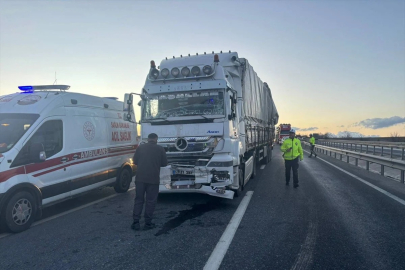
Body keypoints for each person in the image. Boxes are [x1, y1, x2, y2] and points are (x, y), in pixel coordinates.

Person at [132, 133, 167, 230]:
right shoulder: (160, 149)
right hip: (153, 179)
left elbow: (135, 161)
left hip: (140, 179)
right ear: (156, 139)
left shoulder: (141, 148)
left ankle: (136, 222)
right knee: (150, 201)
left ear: (148, 139)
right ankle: (148, 223)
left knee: (139, 200)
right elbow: (164, 163)